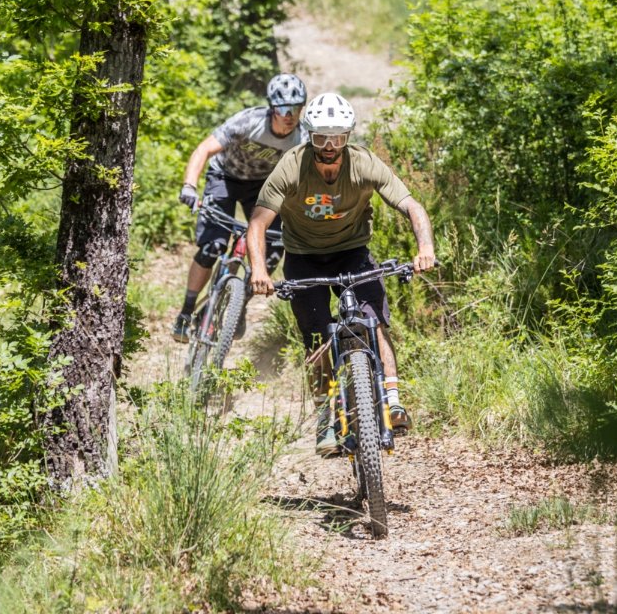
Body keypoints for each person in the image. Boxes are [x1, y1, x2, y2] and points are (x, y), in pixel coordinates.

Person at [246, 92, 436, 455]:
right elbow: (257, 222)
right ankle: (325, 418)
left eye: (337, 137)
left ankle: (392, 399)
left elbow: (412, 205)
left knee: (373, 321)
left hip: (352, 252)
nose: (329, 146)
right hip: (303, 257)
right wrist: (259, 270)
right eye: (320, 138)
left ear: (348, 135)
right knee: (316, 339)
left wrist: (425, 248)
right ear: (309, 136)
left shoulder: (364, 163)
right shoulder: (291, 166)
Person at [172, 73, 309, 342]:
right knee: (212, 247)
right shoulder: (248, 122)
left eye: (296, 107)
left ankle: (237, 305)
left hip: (263, 187)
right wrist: (189, 185)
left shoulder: (302, 138)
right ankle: (187, 311)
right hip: (224, 177)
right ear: (272, 108)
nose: (289, 114)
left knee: (272, 250)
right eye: (283, 108)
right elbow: (204, 149)